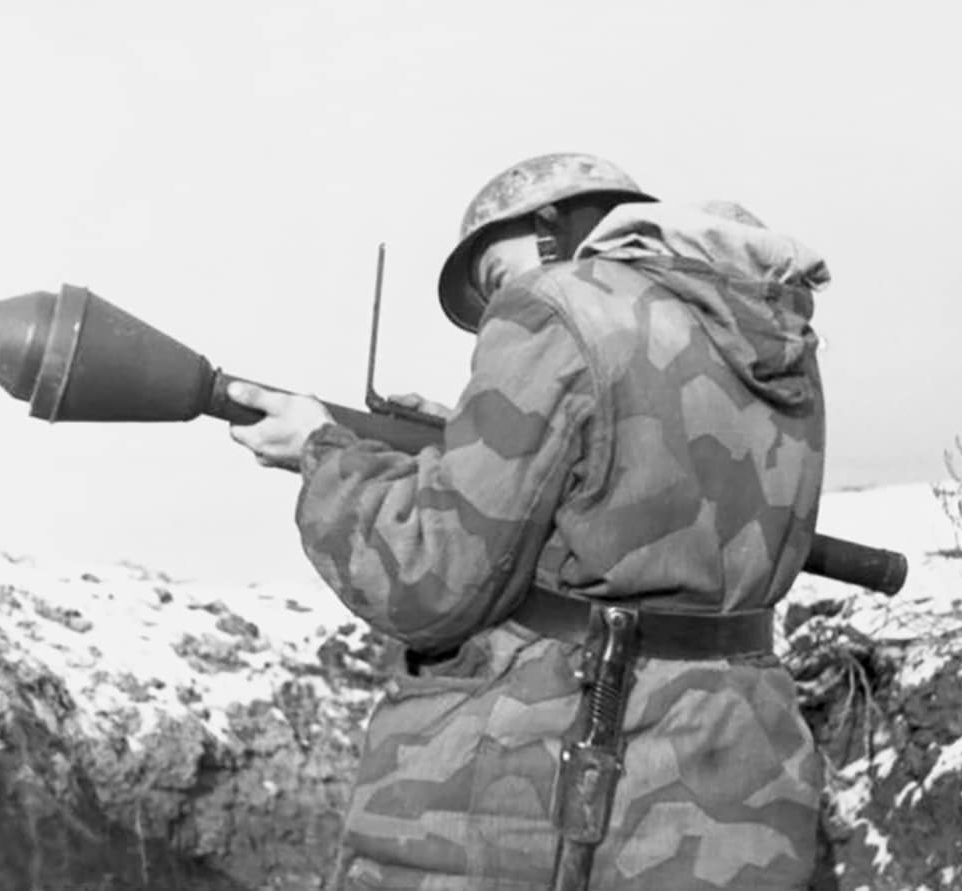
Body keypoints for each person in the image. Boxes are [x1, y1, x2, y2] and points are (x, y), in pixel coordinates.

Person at [228, 153, 831, 891]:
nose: (493, 315)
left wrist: (324, 457)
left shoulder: (556, 303)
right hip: (740, 777)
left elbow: (427, 578)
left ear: (552, 229)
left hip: (558, 784)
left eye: (494, 280)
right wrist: (467, 445)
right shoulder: (765, 323)